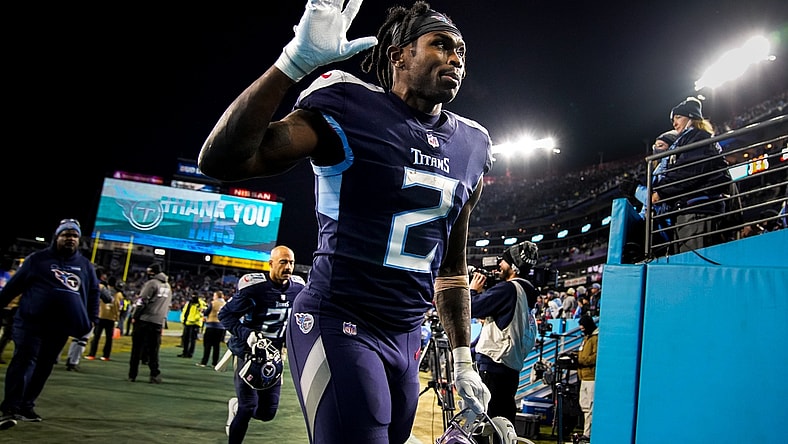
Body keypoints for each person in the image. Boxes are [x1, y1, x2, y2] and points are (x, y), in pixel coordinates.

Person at [198, 1, 493, 442]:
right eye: (441, 45)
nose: (456, 59)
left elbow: (451, 270)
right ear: (399, 56)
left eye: (462, 52)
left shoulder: (472, 145)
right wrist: (289, 66)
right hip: (339, 319)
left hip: (408, 337)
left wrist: (463, 358)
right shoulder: (350, 107)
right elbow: (222, 161)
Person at [0, 219, 100, 430]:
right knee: (24, 361)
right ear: (57, 237)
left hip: (60, 327)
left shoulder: (85, 266)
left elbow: (93, 294)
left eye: (74, 235)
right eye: (66, 235)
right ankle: (9, 408)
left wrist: (92, 319)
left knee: (44, 366)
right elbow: (13, 286)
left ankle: (26, 406)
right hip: (30, 322)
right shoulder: (37, 260)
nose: (70, 238)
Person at [218, 246, 305, 443]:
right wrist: (246, 333)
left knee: (267, 413)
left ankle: (235, 407)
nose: (288, 267)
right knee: (247, 406)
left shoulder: (298, 288)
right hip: (248, 354)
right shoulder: (255, 288)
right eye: (283, 262)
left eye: (291, 262)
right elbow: (225, 315)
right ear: (271, 264)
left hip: (274, 357)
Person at [469, 241, 540, 424]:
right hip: (510, 367)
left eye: (504, 260)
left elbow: (471, 308)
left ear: (514, 266)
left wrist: (473, 290)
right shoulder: (528, 291)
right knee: (503, 423)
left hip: (494, 365)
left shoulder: (509, 289)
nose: (500, 264)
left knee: (486, 424)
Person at [652, 97, 731, 253]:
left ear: (691, 117)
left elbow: (688, 172)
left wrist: (661, 191)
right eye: (673, 120)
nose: (674, 123)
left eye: (678, 117)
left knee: (696, 262)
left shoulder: (697, 137)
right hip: (690, 209)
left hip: (698, 210)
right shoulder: (688, 139)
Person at [127, 262, 172, 384]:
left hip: (145, 320)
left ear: (152, 272)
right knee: (153, 350)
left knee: (137, 349)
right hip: (158, 321)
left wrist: (135, 315)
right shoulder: (168, 286)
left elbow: (141, 301)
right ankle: (154, 374)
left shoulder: (152, 283)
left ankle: (132, 374)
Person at [65, 267, 112, 369]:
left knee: (76, 338)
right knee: (83, 339)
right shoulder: (99, 285)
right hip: (89, 313)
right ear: (102, 276)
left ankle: (69, 358)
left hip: (78, 311)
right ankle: (74, 361)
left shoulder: (83, 281)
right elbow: (108, 299)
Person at [87, 275, 124, 361]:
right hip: (111, 318)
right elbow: (118, 307)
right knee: (108, 338)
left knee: (96, 337)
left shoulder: (103, 290)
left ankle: (92, 354)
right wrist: (116, 317)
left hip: (101, 315)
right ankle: (106, 356)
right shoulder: (119, 294)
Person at [575, 315, 599, 443]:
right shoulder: (586, 338)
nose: (581, 329)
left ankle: (588, 433)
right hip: (583, 376)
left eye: (583, 327)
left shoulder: (595, 338)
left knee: (590, 407)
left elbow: (596, 356)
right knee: (584, 406)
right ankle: (586, 431)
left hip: (591, 377)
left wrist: (581, 360)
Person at [197, 290, 227, 368]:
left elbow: (206, 313)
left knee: (207, 345)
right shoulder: (225, 304)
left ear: (216, 296)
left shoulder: (213, 303)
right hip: (221, 327)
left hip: (211, 325)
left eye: (214, 295)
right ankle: (215, 363)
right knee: (216, 346)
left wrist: (202, 311)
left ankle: (204, 362)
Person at [178, 293, 205, 359]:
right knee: (186, 338)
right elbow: (184, 311)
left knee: (192, 339)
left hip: (195, 324)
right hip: (187, 322)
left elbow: (202, 313)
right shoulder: (189, 303)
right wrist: (183, 319)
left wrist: (194, 319)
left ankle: (190, 353)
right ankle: (185, 352)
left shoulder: (200, 304)